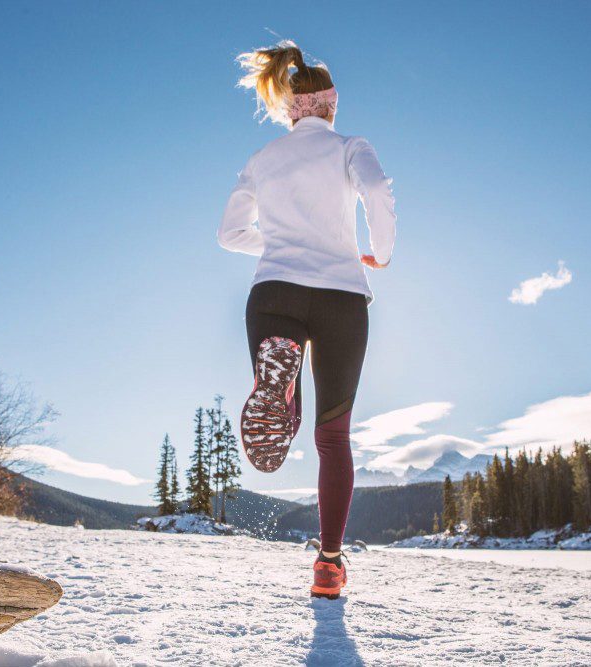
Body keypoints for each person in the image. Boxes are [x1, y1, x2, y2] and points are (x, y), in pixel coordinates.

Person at [217, 40, 396, 600]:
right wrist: (380, 253)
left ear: (291, 108)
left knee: (280, 386)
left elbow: (229, 234)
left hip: (274, 294)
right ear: (331, 106)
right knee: (333, 436)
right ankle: (329, 564)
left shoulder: (262, 158)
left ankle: (280, 390)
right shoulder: (349, 147)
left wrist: (279, 240)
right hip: (342, 296)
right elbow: (378, 190)